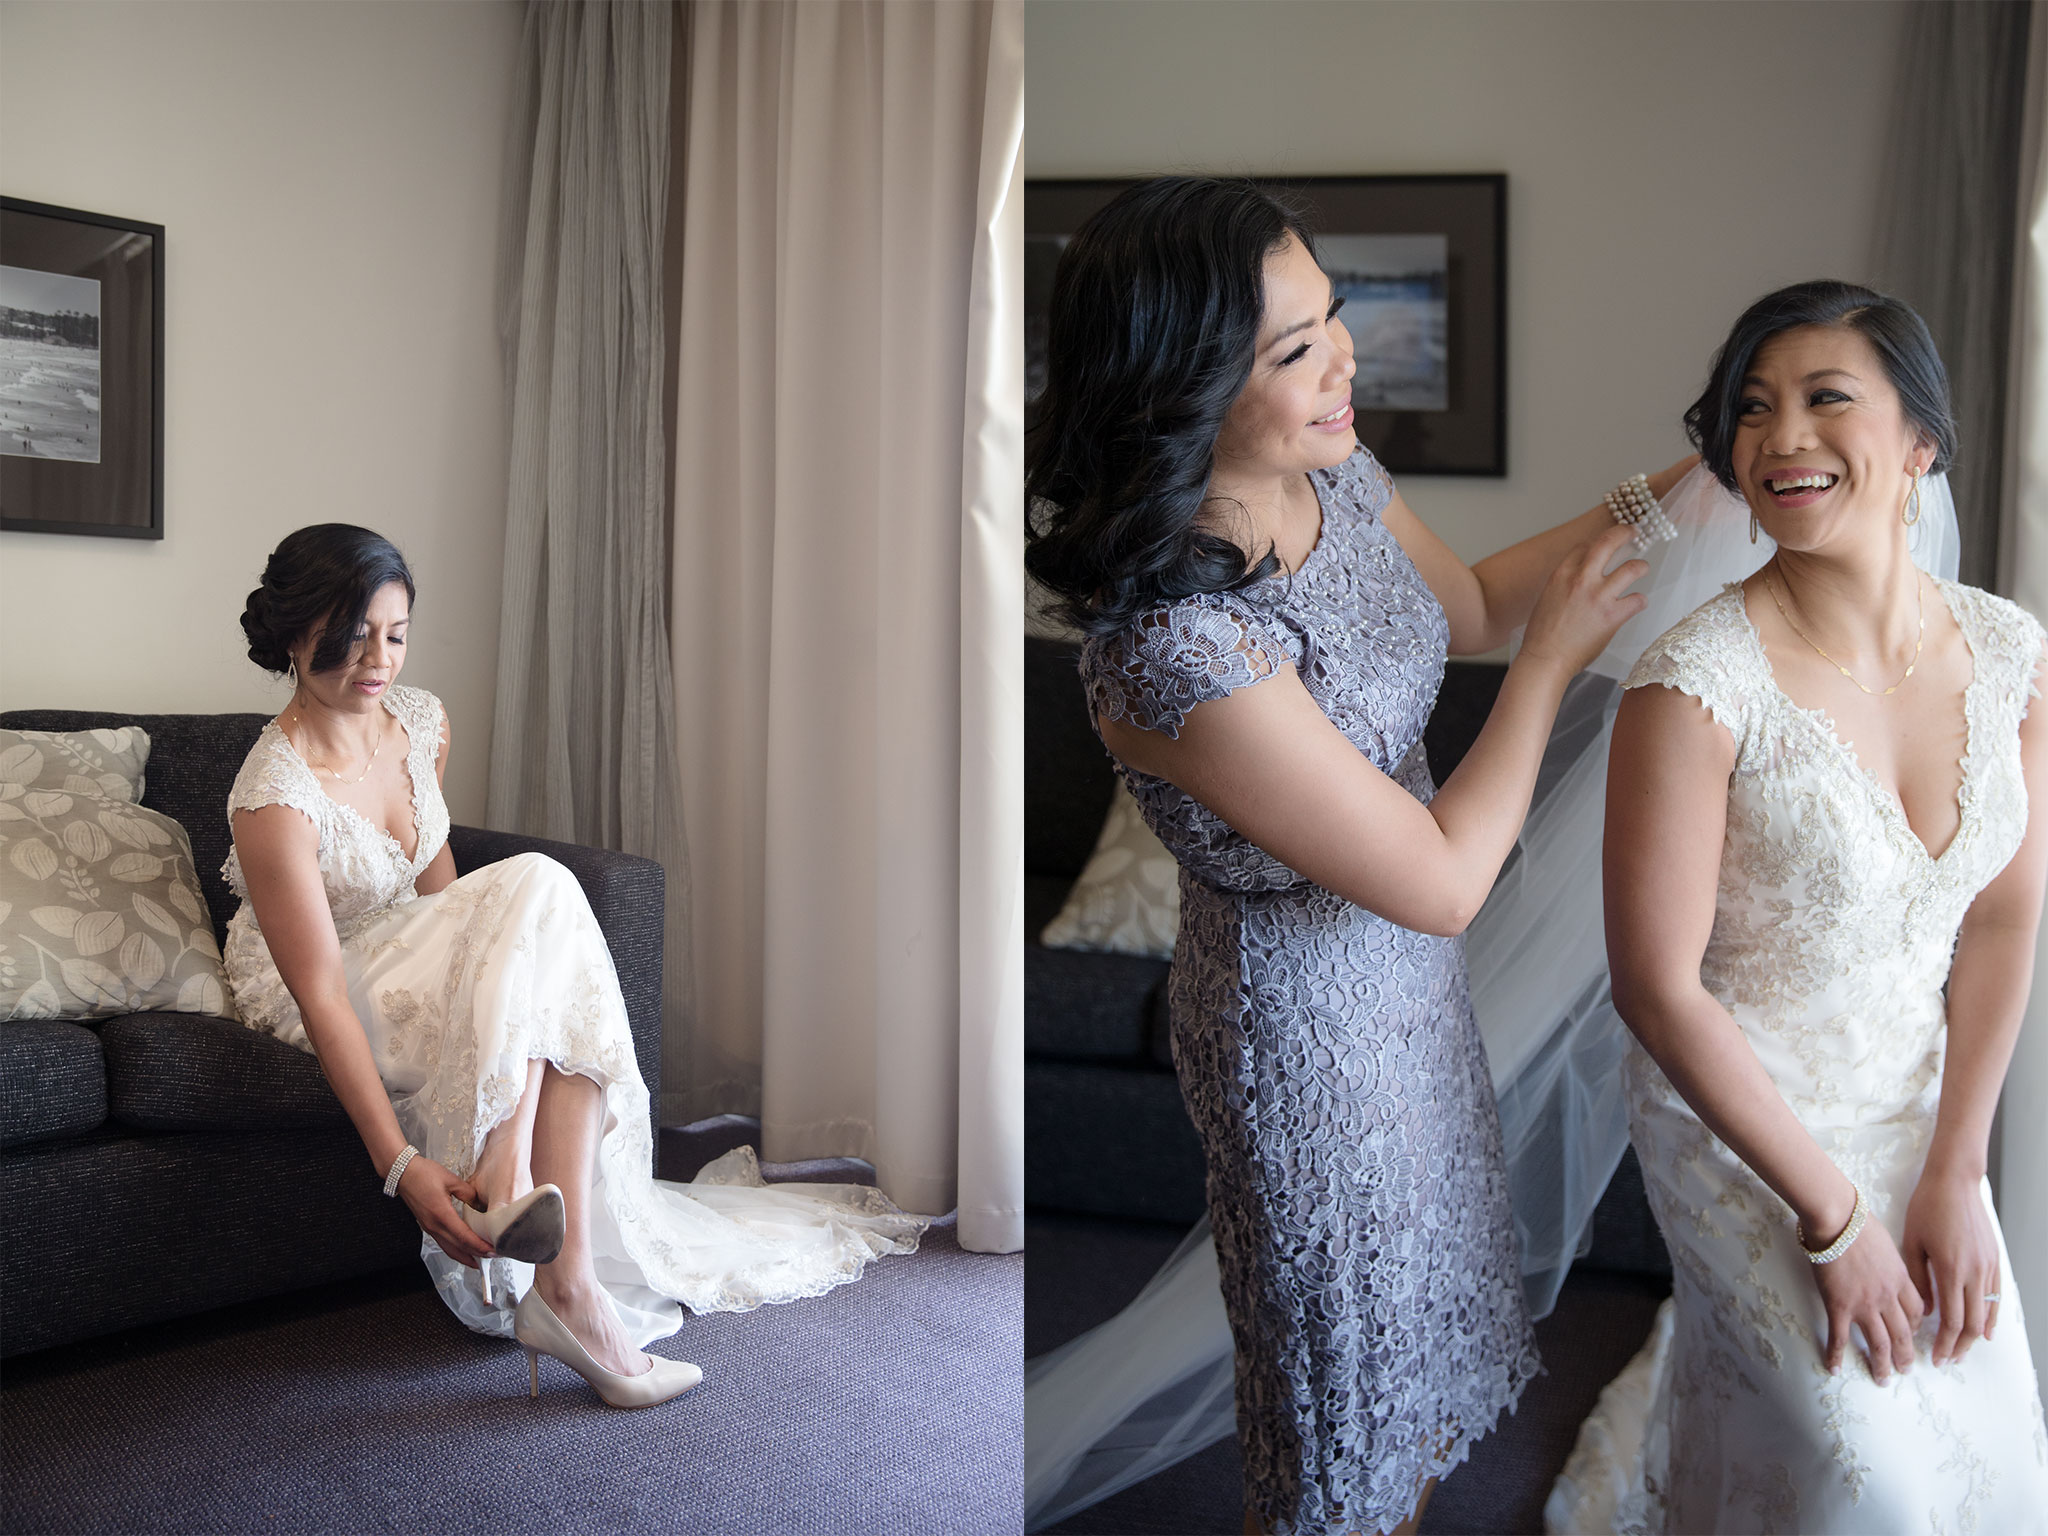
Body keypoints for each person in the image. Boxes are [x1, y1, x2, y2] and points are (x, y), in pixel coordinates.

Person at [1024, 174, 1695, 1536]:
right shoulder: (1174, 649)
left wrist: (1678, 488)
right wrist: (1555, 662)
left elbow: (1473, 603)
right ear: (1179, 384)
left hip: (1409, 1003)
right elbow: (1443, 878)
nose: (1344, 360)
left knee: (1424, 1386)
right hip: (1309, 1043)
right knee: (1347, 1423)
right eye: (1295, 348)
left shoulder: (1329, 469)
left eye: (1331, 316)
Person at [1548, 280, 2048, 1533]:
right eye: (1750, 410)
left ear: (1919, 440)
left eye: (1825, 399)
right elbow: (1654, 987)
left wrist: (1956, 1167)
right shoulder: (1692, 685)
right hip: (1740, 1125)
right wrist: (1831, 1223)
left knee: (1981, 1447)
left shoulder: (2008, 652)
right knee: (1862, 1473)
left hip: (1916, 1107)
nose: (1780, 439)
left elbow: (2000, 916)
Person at [224, 524, 927, 1408]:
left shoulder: (419, 721)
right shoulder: (273, 794)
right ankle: (533, 1225)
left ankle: (561, 1270)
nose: (379, 661)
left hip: (410, 940)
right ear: (295, 635)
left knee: (540, 937)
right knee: (541, 885)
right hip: (320, 977)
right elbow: (322, 993)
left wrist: (497, 974)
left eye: (396, 635)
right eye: (352, 636)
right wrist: (398, 1166)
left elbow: (444, 895)